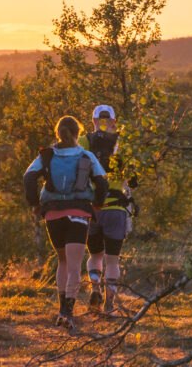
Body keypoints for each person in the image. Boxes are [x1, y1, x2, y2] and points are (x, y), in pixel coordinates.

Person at [24, 115, 109, 329]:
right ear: (78, 134)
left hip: (53, 213)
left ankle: (62, 311)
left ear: (58, 133)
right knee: (74, 266)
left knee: (62, 261)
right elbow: (101, 181)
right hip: (79, 213)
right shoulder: (86, 155)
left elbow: (29, 177)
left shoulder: (47, 155)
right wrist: (97, 204)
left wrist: (35, 204)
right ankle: (67, 313)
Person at [79, 104, 136, 314]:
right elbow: (135, 180)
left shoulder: (84, 141)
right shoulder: (123, 144)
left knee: (95, 255)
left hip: (92, 207)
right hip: (116, 209)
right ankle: (109, 304)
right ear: (114, 121)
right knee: (112, 259)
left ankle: (95, 287)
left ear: (93, 120)